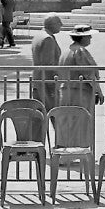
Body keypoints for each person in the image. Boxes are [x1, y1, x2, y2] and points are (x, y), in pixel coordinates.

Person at [57, 24, 103, 147]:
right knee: (79, 122)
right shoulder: (80, 51)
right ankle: (77, 151)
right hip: (79, 91)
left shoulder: (67, 51)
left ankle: (64, 150)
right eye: (88, 36)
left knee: (67, 122)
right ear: (82, 38)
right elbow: (88, 73)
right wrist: (98, 90)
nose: (90, 39)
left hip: (66, 90)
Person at [27, 14, 64, 142]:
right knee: (55, 115)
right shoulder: (48, 39)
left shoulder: (39, 35)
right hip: (47, 83)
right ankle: (61, 147)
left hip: (38, 80)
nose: (61, 25)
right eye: (59, 23)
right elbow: (49, 64)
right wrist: (55, 83)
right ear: (52, 25)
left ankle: (33, 145)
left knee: (39, 116)